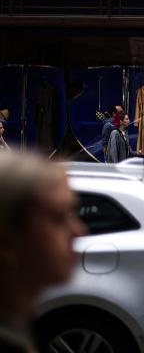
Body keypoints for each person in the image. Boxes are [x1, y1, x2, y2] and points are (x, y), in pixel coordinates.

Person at [0, 151, 86, 352]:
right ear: (6, 241)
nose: (79, 231)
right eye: (58, 218)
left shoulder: (25, 324)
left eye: (72, 214)